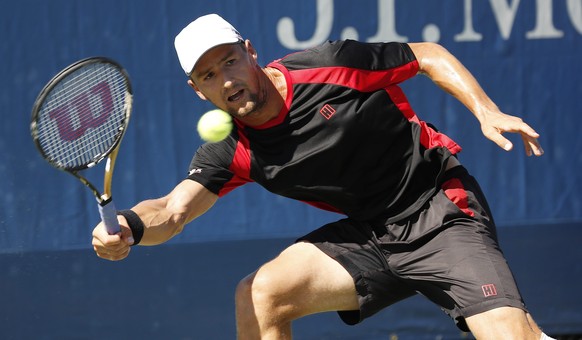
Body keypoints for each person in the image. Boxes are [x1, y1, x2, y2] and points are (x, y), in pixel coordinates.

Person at [92, 13, 551, 339]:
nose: (227, 80)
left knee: (512, 336)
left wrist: (486, 112)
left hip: (437, 208)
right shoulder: (232, 149)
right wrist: (128, 228)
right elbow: (172, 211)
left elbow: (426, 55)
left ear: (250, 53)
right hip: (368, 235)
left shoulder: (328, 65)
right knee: (260, 293)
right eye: (209, 75)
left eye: (230, 61)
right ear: (197, 90)